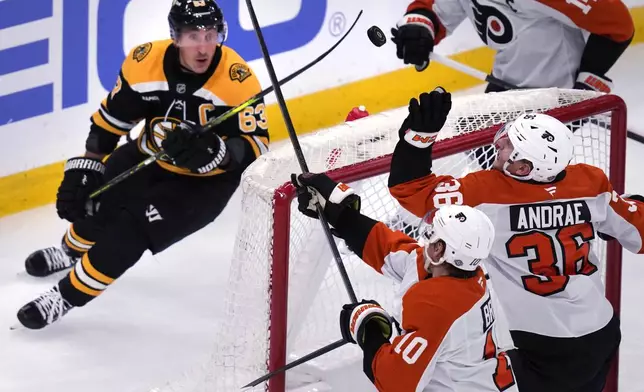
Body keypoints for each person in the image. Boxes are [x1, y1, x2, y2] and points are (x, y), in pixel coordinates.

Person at [16, 0, 269, 330]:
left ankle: (64, 297)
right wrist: (89, 166)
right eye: (193, 35)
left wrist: (217, 154)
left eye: (210, 34)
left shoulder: (238, 80)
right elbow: (110, 123)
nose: (203, 46)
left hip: (203, 185)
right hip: (148, 155)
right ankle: (69, 251)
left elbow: (254, 147)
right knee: (96, 200)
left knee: (128, 234)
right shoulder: (144, 61)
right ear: (175, 37)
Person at [388, 87, 644, 392]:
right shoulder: (591, 182)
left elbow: (410, 189)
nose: (501, 146)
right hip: (600, 332)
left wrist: (419, 138)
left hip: (539, 346)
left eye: (510, 146)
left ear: (523, 168)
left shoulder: (486, 191)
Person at [292, 172, 519, 391]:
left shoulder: (437, 305)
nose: (426, 237)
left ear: (440, 250)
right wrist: (342, 216)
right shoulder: (465, 273)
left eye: (433, 235)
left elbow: (394, 382)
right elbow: (388, 248)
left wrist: (369, 330)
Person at [392, 0, 634, 94]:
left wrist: (586, 85)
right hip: (504, 86)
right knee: (486, 165)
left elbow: (618, 25)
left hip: (556, 98)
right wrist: (419, 28)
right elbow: (434, 10)